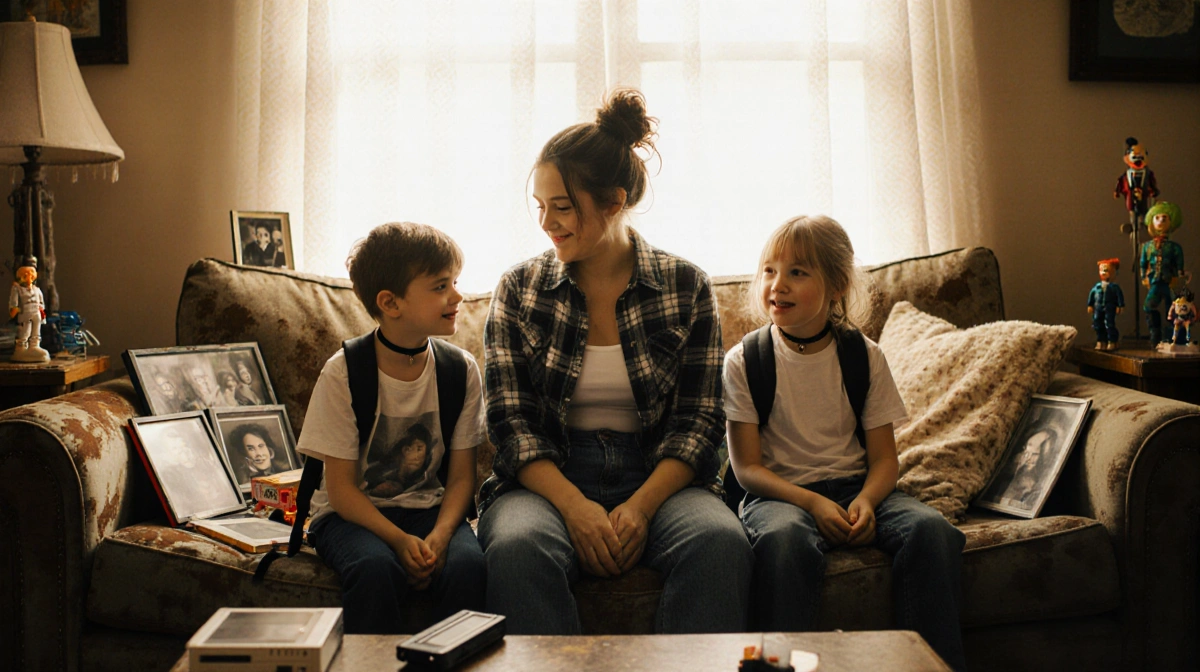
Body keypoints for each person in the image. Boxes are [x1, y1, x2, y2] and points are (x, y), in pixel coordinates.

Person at [477, 88, 753, 635]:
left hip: (658, 475)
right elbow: (511, 425)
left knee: (721, 544)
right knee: (517, 549)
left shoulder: (685, 285)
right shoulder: (519, 289)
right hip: (547, 479)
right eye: (539, 206)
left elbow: (699, 422)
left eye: (562, 207)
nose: (546, 222)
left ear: (613, 201)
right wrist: (577, 509)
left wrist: (642, 507)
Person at [723, 215, 967, 671]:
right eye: (770, 270)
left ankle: (933, 665)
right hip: (780, 495)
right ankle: (778, 665)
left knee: (931, 531)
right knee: (784, 541)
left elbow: (884, 460)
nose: (778, 285)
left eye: (798, 272)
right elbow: (747, 470)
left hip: (857, 485)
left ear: (837, 286)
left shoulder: (864, 356)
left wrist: (869, 502)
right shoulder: (744, 360)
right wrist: (813, 505)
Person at [295, 222, 486, 634]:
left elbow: (461, 479)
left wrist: (439, 535)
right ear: (391, 302)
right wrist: (399, 542)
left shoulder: (460, 371)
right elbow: (342, 491)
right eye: (440, 287)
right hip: (350, 517)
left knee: (468, 565)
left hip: (428, 510)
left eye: (455, 281)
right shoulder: (344, 373)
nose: (458, 296)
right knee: (375, 568)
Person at [1138, 201, 1185, 344]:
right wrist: (1143, 277)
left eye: (1164, 218)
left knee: (1174, 309)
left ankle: (1176, 336)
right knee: (1148, 306)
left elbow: (1179, 264)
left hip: (1170, 282)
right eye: (1157, 218)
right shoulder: (1147, 246)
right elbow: (1143, 264)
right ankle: (1155, 333)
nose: (1160, 221)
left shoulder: (1174, 247)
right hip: (1155, 282)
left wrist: (1180, 278)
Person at [364, 423, 436, 499]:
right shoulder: (381, 470)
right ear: (402, 450)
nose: (414, 456)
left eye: (419, 449)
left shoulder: (423, 478)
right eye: (408, 449)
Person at [993, 428, 1057, 510]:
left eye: (1035, 454)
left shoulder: (1044, 481)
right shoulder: (1014, 472)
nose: (1028, 458)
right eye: (1027, 452)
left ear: (1046, 457)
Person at [9, 264, 49, 363]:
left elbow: (41, 302)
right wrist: (14, 309)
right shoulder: (18, 289)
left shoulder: (37, 290)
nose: (28, 278)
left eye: (31, 275)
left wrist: (42, 312)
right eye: (25, 275)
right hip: (25, 313)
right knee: (25, 331)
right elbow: (14, 302)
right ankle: (21, 348)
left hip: (36, 313)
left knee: (36, 330)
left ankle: (34, 346)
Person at [1086, 258, 1125, 351]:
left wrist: (1120, 305)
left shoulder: (1114, 287)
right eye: (1101, 270)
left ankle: (1112, 340)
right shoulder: (1097, 287)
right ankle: (1101, 340)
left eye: (1106, 270)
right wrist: (1090, 305)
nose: (1103, 272)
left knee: (1109, 324)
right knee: (1097, 323)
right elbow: (1092, 295)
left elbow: (1119, 296)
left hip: (1109, 308)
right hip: (1098, 308)